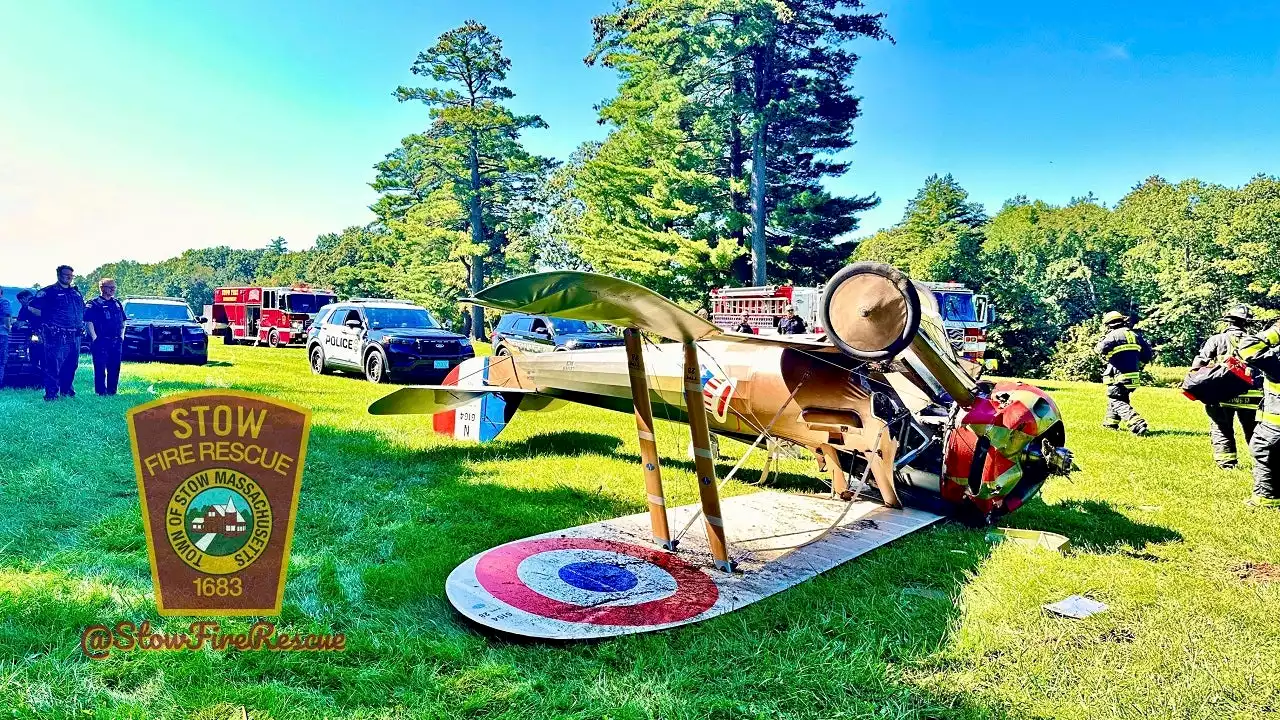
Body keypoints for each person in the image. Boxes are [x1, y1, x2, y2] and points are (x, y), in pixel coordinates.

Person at [1191, 305, 1261, 469]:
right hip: (1251, 395)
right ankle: (1262, 463)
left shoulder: (1217, 340)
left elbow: (1200, 362)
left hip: (1222, 394)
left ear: (1228, 322)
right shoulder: (1255, 341)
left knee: (1221, 428)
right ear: (1246, 323)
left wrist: (1192, 379)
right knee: (1254, 431)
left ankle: (1227, 464)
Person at [29, 265, 85, 401]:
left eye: (71, 275)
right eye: (66, 274)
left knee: (71, 364)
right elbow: (31, 307)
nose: (69, 277)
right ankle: (51, 395)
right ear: (58, 275)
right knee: (53, 365)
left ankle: (66, 391)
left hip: (74, 334)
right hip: (56, 335)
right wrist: (47, 318)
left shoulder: (76, 292)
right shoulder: (49, 292)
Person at [1240, 321, 1280, 508]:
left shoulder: (1276, 357)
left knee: (1264, 452)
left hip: (1275, 425)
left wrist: (1275, 332)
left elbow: (1248, 347)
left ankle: (1265, 500)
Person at [1095, 310, 1153, 435]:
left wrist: (1100, 344)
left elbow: (1100, 349)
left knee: (1116, 399)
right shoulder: (1135, 336)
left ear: (1109, 325)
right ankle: (1110, 424)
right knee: (1119, 398)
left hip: (1118, 376)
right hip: (1133, 377)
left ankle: (1137, 423)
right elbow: (1147, 355)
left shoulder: (1113, 335)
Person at [84, 277, 126, 396]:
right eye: (110, 287)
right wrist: (94, 337)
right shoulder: (94, 303)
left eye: (114, 287)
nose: (113, 289)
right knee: (100, 367)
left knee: (115, 367)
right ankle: (100, 392)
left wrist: (122, 336)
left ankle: (112, 391)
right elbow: (88, 321)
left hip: (116, 341)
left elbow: (123, 320)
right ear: (102, 288)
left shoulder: (117, 303)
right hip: (101, 341)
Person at [0, 287, 10, 388]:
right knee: (1, 360)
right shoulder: (4, 301)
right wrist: (8, 328)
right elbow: (7, 316)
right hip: (1, 334)